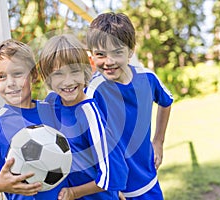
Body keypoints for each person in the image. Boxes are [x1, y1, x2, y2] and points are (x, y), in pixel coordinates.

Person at [85, 12, 173, 199]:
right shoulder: (93, 91)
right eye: (101, 54)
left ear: (131, 50)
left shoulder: (147, 78)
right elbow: (90, 141)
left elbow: (166, 102)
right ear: (92, 55)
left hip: (148, 179)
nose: (109, 62)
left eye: (117, 52)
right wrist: (112, 187)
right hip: (115, 189)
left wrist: (158, 141)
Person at [0, 39, 67, 199]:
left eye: (18, 74)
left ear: (33, 75)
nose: (10, 83)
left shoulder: (55, 111)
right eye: (1, 77)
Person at [38, 33, 128, 200]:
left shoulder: (89, 114)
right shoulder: (51, 103)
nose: (68, 81)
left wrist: (73, 193)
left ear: (85, 72)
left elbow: (112, 175)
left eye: (74, 71)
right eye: (58, 74)